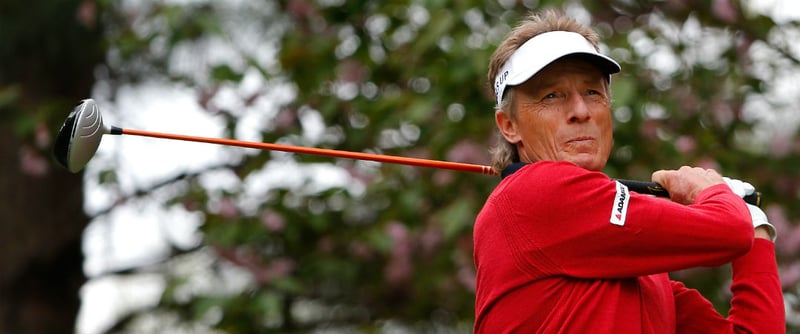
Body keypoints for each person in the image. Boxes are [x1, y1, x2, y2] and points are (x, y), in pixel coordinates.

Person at [473, 10, 785, 333]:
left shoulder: (645, 277)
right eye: (552, 96)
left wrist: (756, 226)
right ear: (509, 125)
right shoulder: (533, 192)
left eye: (592, 92)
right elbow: (729, 232)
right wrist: (705, 190)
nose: (581, 111)